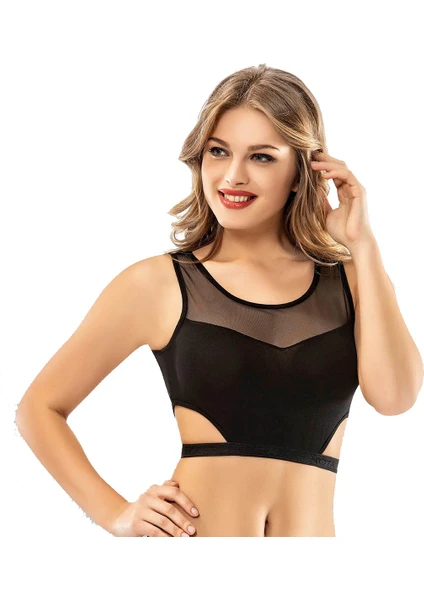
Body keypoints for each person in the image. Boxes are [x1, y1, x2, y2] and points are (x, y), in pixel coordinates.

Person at [15, 64, 422, 537]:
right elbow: (38, 408)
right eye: (218, 151)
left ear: (301, 172)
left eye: (261, 157)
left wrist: (363, 246)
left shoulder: (354, 280)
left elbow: (395, 398)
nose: (232, 176)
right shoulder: (159, 284)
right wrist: (115, 513)